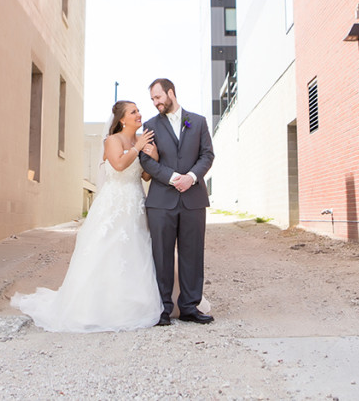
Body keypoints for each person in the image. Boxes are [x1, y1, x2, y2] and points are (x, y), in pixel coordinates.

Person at [11, 101, 163, 332]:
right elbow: (119, 164)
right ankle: (94, 307)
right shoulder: (112, 140)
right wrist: (138, 148)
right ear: (122, 119)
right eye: (133, 112)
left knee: (136, 249)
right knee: (108, 248)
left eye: (138, 110)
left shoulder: (140, 140)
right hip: (114, 203)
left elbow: (145, 176)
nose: (139, 114)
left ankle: (132, 304)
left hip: (136, 202)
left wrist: (155, 156)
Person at [139, 78, 215, 325]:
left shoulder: (198, 122)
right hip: (161, 201)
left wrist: (191, 177)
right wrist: (173, 178)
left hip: (193, 199)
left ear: (170, 92)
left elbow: (207, 155)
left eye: (158, 97)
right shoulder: (150, 126)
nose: (155, 102)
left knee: (192, 254)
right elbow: (146, 161)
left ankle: (190, 307)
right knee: (161, 255)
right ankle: (162, 309)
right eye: (152, 99)